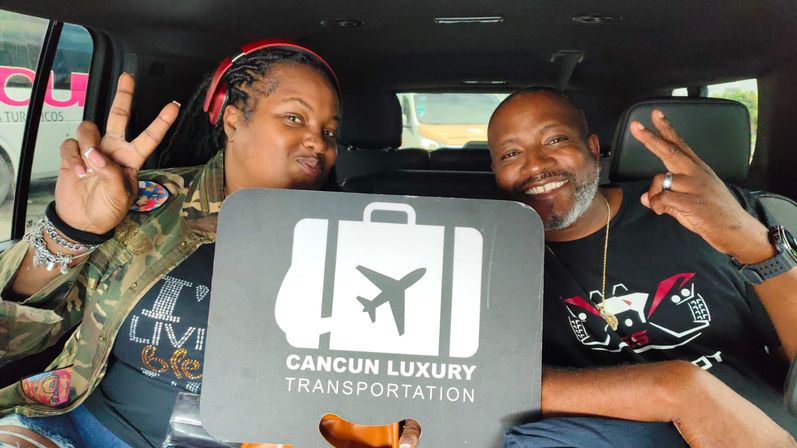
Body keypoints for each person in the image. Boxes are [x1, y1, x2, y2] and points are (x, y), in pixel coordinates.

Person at [0, 41, 419, 448]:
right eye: (295, 118)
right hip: (91, 431)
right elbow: (12, 341)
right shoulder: (141, 202)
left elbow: (405, 375)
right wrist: (72, 230)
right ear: (233, 120)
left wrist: (414, 420)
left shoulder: (363, 241)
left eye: (329, 130)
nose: (318, 141)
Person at [487, 88, 797, 448]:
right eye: (512, 153)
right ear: (494, 171)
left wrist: (751, 244)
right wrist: (674, 389)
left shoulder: (702, 211)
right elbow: (463, 383)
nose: (537, 165)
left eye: (555, 139)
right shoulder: (487, 258)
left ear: (592, 147)